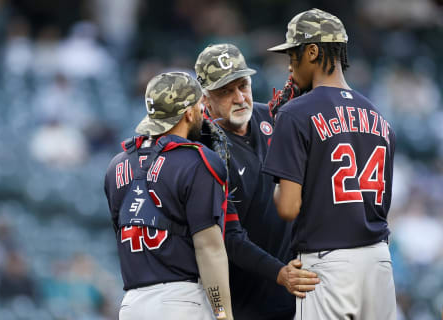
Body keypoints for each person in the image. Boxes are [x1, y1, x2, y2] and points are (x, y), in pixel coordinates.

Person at [263, 8, 397, 320]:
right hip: (378, 261)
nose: (289, 64)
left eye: (293, 54)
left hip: (329, 264)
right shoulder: (379, 116)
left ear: (312, 51)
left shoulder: (296, 113)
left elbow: (287, 208)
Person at [195, 43, 319, 320]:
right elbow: (226, 237)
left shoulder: (275, 117)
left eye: (243, 86)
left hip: (295, 290)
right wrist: (278, 273)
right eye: (225, 91)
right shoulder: (202, 148)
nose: (239, 98)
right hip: (241, 300)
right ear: (205, 100)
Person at [104, 72, 233, 320]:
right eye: (198, 104)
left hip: (131, 305)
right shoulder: (197, 161)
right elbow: (209, 248)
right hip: (180, 302)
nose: (202, 111)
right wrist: (222, 313)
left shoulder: (115, 165)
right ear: (187, 112)